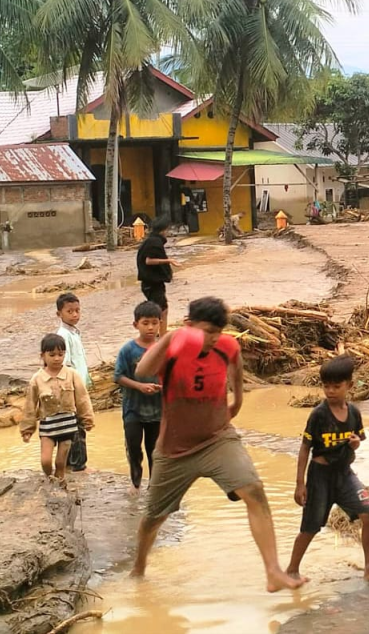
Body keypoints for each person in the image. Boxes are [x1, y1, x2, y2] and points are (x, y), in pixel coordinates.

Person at [129, 296, 304, 592]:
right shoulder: (172, 348)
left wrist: (237, 399)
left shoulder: (226, 346)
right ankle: (138, 570)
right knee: (152, 518)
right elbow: (142, 372)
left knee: (255, 491)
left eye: (218, 331)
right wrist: (171, 336)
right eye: (207, 330)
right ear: (189, 326)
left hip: (217, 439)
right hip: (175, 451)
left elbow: (235, 369)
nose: (213, 338)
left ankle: (273, 571)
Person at [286, 355, 369, 587]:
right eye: (326, 386)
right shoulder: (319, 415)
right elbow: (305, 447)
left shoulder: (354, 413)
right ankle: (292, 571)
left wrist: (355, 443)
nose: (331, 391)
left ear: (349, 386)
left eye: (337, 386)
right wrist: (300, 483)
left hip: (345, 475)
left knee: (368, 513)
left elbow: (357, 440)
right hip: (320, 477)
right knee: (310, 526)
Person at [20, 334, 95, 484]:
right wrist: (27, 429)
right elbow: (30, 405)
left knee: (61, 463)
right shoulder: (37, 379)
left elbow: (82, 398)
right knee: (45, 461)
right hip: (48, 426)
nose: (57, 358)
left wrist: (87, 419)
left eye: (61, 354)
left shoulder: (72, 374)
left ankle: (60, 486)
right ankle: (49, 480)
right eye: (52, 354)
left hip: (68, 426)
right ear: (42, 356)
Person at [114, 301, 164, 492]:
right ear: (136, 325)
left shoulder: (163, 349)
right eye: (145, 323)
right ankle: (135, 483)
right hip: (133, 409)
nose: (150, 327)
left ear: (160, 323)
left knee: (155, 451)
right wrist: (140, 386)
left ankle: (154, 485)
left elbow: (173, 376)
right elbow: (118, 377)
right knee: (134, 448)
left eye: (154, 323)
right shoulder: (128, 350)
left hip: (157, 411)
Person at [56, 293, 91, 472]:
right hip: (72, 388)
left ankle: (70, 463)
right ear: (59, 314)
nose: (75, 315)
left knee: (74, 426)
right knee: (78, 426)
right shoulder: (63, 335)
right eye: (70, 311)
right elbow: (66, 364)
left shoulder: (74, 332)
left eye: (77, 311)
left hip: (79, 386)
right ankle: (79, 465)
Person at [136, 216, 179, 336]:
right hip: (151, 283)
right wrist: (169, 260)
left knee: (160, 309)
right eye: (167, 230)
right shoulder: (155, 242)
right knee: (161, 310)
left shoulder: (152, 240)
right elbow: (149, 261)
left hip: (152, 282)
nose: (168, 232)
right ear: (163, 230)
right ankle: (161, 336)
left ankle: (160, 334)